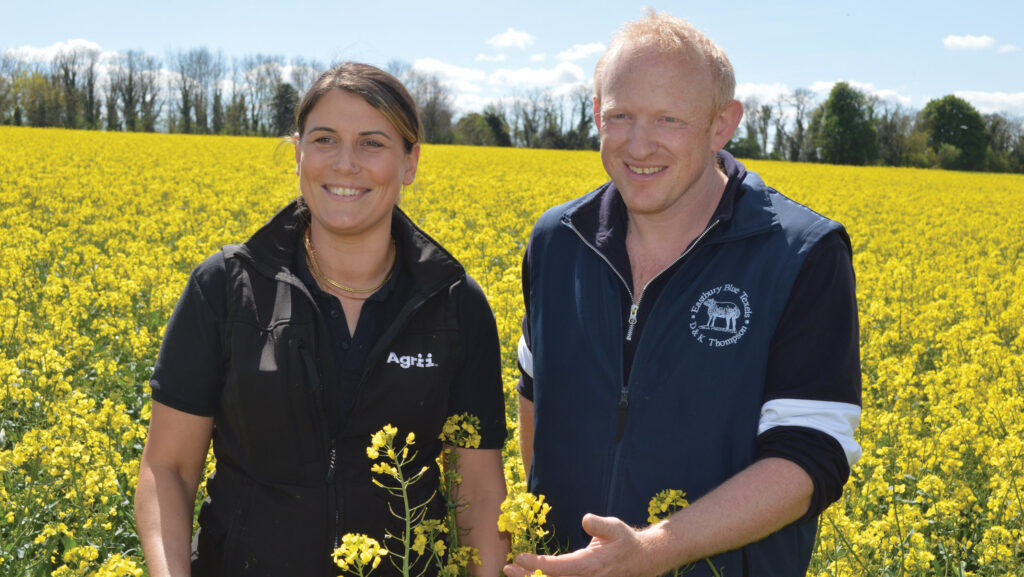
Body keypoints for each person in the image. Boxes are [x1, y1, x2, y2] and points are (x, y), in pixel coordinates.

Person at [505, 12, 861, 577]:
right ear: (596, 114)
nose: (638, 144)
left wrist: (652, 551)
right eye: (619, 115)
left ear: (722, 124)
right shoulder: (558, 240)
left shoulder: (801, 253)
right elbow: (534, 396)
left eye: (667, 118)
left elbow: (810, 456)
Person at [135, 62, 509, 577]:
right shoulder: (224, 288)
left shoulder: (455, 304)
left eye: (372, 143)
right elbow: (168, 469)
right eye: (326, 139)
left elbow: (481, 489)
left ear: (410, 162)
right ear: (298, 153)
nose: (345, 164)